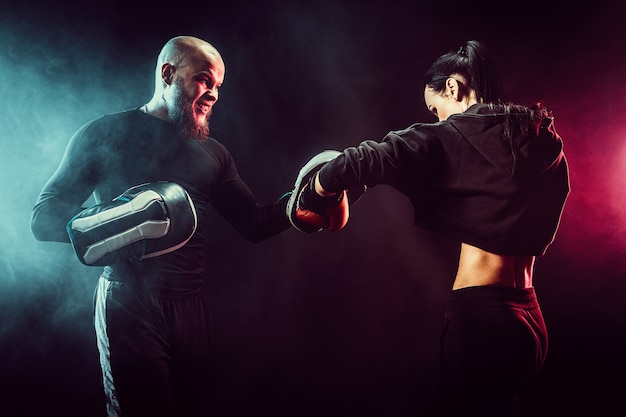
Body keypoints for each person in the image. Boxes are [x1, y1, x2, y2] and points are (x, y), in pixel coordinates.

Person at [289, 40, 570, 416]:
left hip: (481, 321)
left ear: (453, 87)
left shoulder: (450, 136)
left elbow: (362, 159)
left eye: (436, 110)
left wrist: (316, 194)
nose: (438, 121)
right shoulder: (539, 138)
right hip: (530, 319)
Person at [30, 35, 292, 417]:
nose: (214, 94)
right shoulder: (106, 133)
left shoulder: (214, 153)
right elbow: (43, 216)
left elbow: (254, 223)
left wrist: (317, 191)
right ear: (168, 73)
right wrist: (118, 222)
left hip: (191, 306)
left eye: (218, 86)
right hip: (128, 304)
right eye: (204, 80)